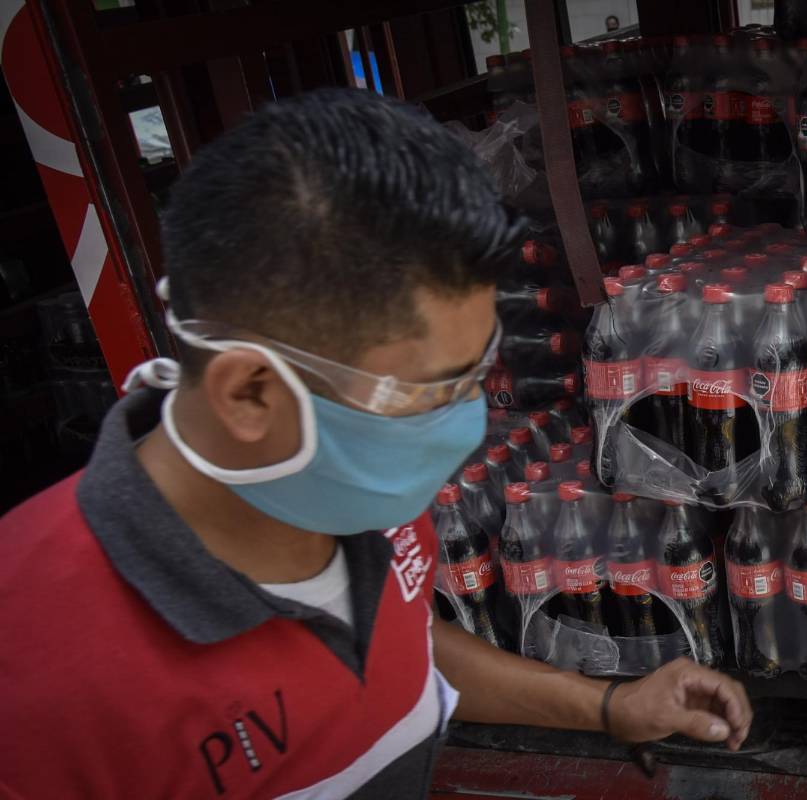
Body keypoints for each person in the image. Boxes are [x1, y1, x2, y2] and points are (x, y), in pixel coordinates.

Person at [0, 90, 751, 799]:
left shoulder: (342, 483)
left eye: (476, 374)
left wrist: (610, 705)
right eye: (428, 393)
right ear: (249, 393)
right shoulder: (37, 677)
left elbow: (402, 644)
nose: (461, 428)